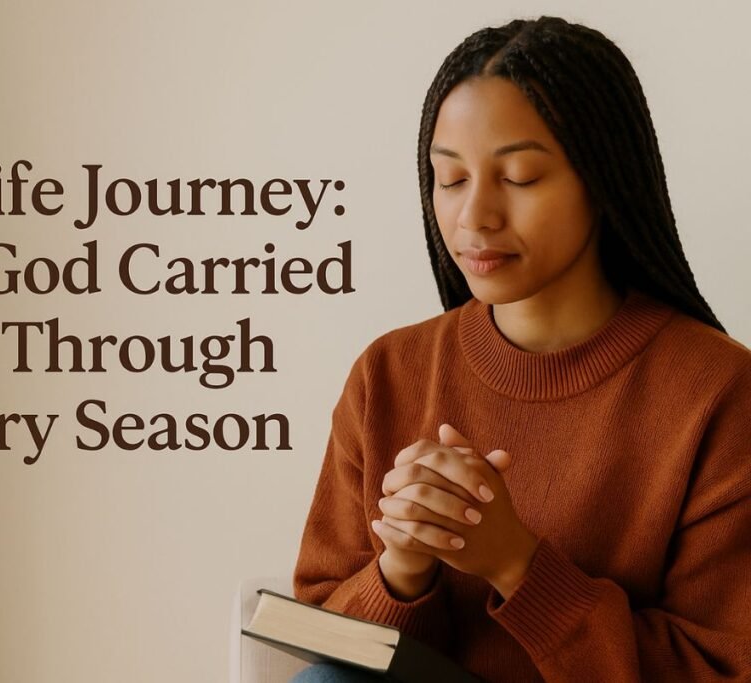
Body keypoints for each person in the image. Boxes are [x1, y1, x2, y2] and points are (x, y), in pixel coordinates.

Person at [289, 15, 751, 683]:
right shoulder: (387, 374)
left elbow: (723, 665)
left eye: (521, 176)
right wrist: (402, 569)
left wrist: (517, 565)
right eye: (451, 179)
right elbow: (318, 645)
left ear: (604, 182)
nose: (475, 216)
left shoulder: (720, 391)